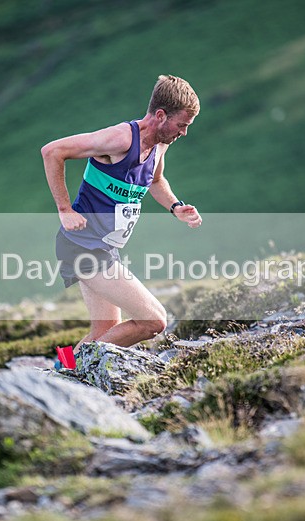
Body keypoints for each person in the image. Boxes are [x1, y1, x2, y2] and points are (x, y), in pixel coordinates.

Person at [41, 74, 202, 352]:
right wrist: (65, 209)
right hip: (82, 246)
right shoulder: (119, 140)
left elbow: (155, 181)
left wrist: (176, 207)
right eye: (182, 125)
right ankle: (76, 369)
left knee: (104, 331)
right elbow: (52, 151)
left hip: (103, 248)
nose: (184, 133)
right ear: (161, 115)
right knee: (154, 321)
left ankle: (61, 369)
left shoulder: (159, 146)